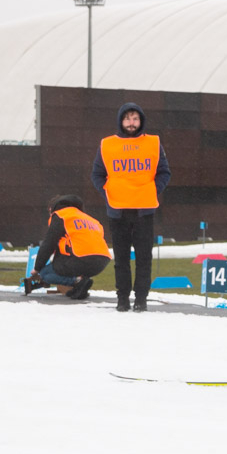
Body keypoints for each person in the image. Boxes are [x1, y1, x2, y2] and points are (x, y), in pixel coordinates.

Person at [91, 102, 170, 312]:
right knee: (121, 258)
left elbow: (164, 172)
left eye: (135, 118)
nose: (131, 123)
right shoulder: (107, 145)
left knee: (144, 258)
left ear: (141, 121)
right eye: (127, 119)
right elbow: (97, 175)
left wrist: (152, 190)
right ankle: (122, 298)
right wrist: (109, 193)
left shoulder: (153, 143)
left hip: (144, 211)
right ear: (121, 121)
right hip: (118, 211)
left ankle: (141, 298)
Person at [23, 195, 113, 300]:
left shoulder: (60, 215)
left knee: (46, 273)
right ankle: (80, 286)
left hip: (80, 258)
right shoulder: (90, 219)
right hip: (102, 260)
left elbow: (49, 244)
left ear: (51, 209)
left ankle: (77, 281)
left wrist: (37, 268)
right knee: (65, 268)